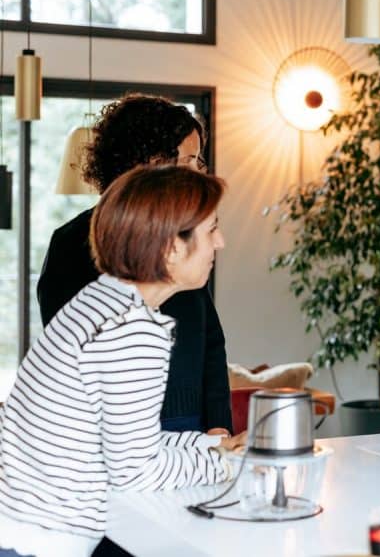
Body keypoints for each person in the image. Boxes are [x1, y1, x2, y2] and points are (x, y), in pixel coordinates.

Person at [0, 166, 245, 557]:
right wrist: (229, 465)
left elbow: (127, 444)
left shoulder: (104, 301)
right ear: (171, 247)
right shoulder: (131, 330)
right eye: (211, 229)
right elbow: (135, 473)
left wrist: (212, 446)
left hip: (19, 526)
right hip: (39, 541)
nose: (221, 243)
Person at [37, 93, 232, 435]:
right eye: (189, 161)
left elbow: (210, 341)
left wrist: (218, 426)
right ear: (152, 163)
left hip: (190, 424)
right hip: (112, 429)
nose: (198, 173)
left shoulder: (183, 239)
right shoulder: (71, 242)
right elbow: (67, 354)